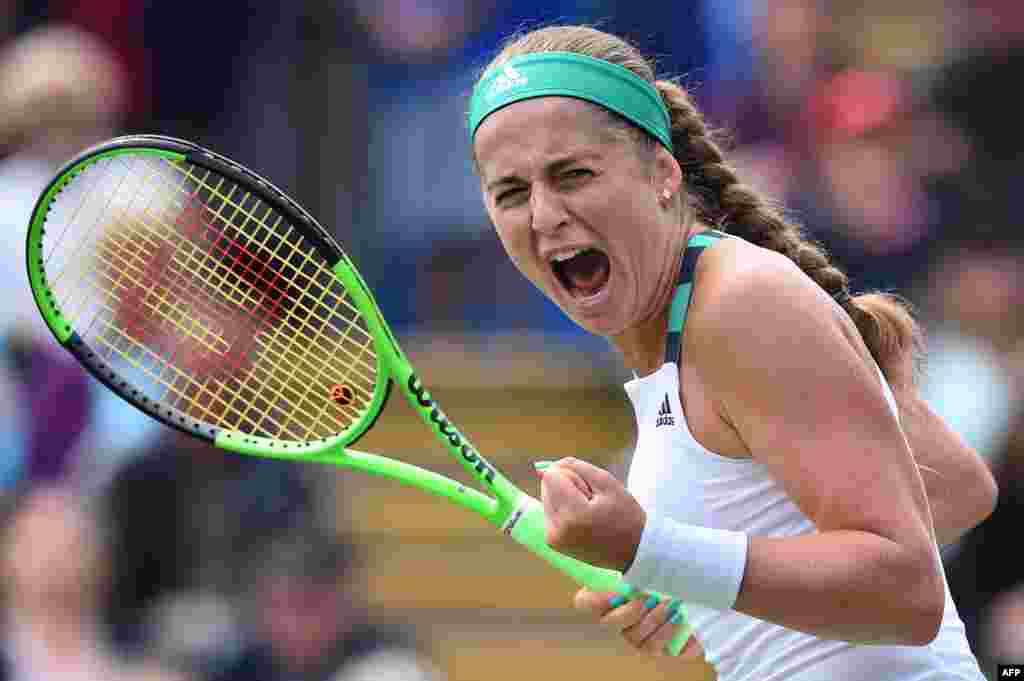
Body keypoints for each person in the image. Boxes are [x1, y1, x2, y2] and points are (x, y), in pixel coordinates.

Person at [466, 25, 997, 680]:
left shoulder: (740, 303)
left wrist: (653, 548)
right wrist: (693, 581)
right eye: (511, 193)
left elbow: (907, 591)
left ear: (662, 174)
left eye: (573, 174)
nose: (544, 214)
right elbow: (959, 489)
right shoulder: (672, 323)